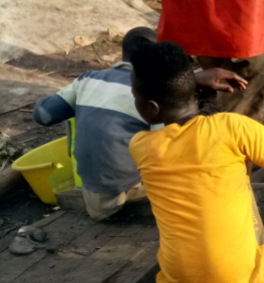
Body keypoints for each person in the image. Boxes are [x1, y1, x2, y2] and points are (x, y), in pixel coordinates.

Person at [129, 41, 264, 283]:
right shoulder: (234, 128)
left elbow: (185, 126)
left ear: (151, 108)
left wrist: (188, 83)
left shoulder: (141, 146)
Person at [32, 27, 246, 220]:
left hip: (91, 190)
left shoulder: (87, 79)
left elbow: (43, 114)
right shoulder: (150, 97)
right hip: (124, 193)